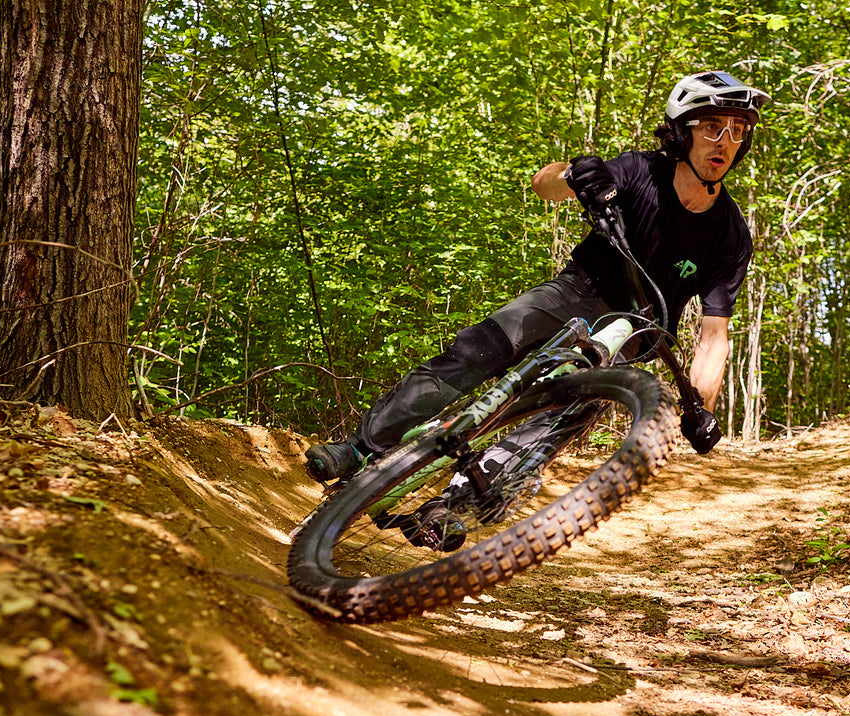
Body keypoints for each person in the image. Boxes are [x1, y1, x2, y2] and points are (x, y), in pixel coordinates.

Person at [306, 70, 771, 483]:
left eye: (738, 131)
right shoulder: (640, 170)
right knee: (473, 350)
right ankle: (360, 449)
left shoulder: (731, 237)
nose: (725, 141)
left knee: (568, 408)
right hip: (576, 290)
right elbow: (543, 183)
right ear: (682, 132)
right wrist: (575, 174)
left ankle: (467, 497)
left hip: (634, 333)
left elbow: (714, 338)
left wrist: (699, 409)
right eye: (712, 127)